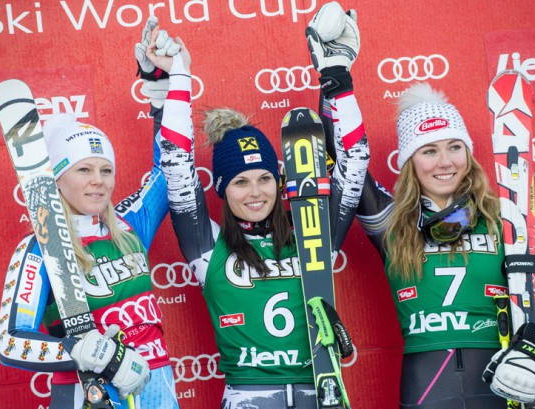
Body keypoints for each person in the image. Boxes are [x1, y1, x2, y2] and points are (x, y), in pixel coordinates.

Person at [142, 7, 368, 408]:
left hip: (321, 391)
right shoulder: (207, 247)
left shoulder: (314, 235)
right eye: (240, 182)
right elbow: (175, 161)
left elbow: (355, 162)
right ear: (222, 190)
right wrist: (178, 76)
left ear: (279, 181)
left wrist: (339, 78)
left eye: (264, 178)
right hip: (249, 396)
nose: (255, 192)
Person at [343, 69, 535, 407]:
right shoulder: (392, 223)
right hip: (427, 387)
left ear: (469, 154)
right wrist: (337, 79)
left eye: (454, 147)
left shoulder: (509, 219)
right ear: (409, 162)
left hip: (506, 378)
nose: (445, 162)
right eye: (429, 151)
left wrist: (534, 345)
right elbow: (350, 157)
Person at [0, 20, 181, 409]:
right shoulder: (38, 248)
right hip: (90, 391)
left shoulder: (130, 225)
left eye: (105, 170)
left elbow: (170, 170)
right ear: (57, 180)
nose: (98, 182)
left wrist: (162, 97)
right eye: (83, 170)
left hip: (157, 381)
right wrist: (90, 352)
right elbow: (12, 341)